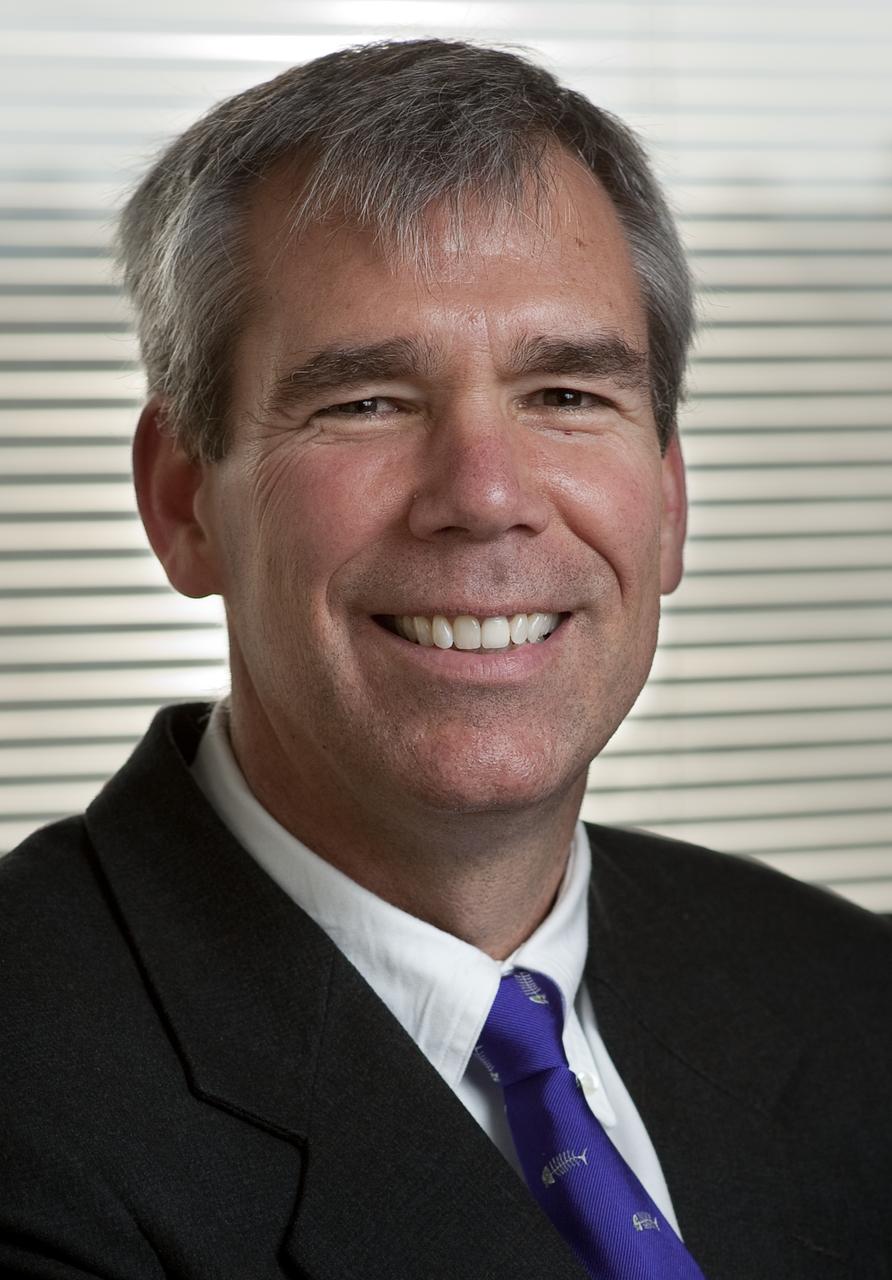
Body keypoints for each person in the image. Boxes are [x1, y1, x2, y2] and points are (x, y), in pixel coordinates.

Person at [1, 38, 890, 1280]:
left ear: (671, 500)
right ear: (184, 501)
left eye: (568, 394)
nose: (484, 495)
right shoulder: (32, 1122)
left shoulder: (851, 997)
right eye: (365, 400)